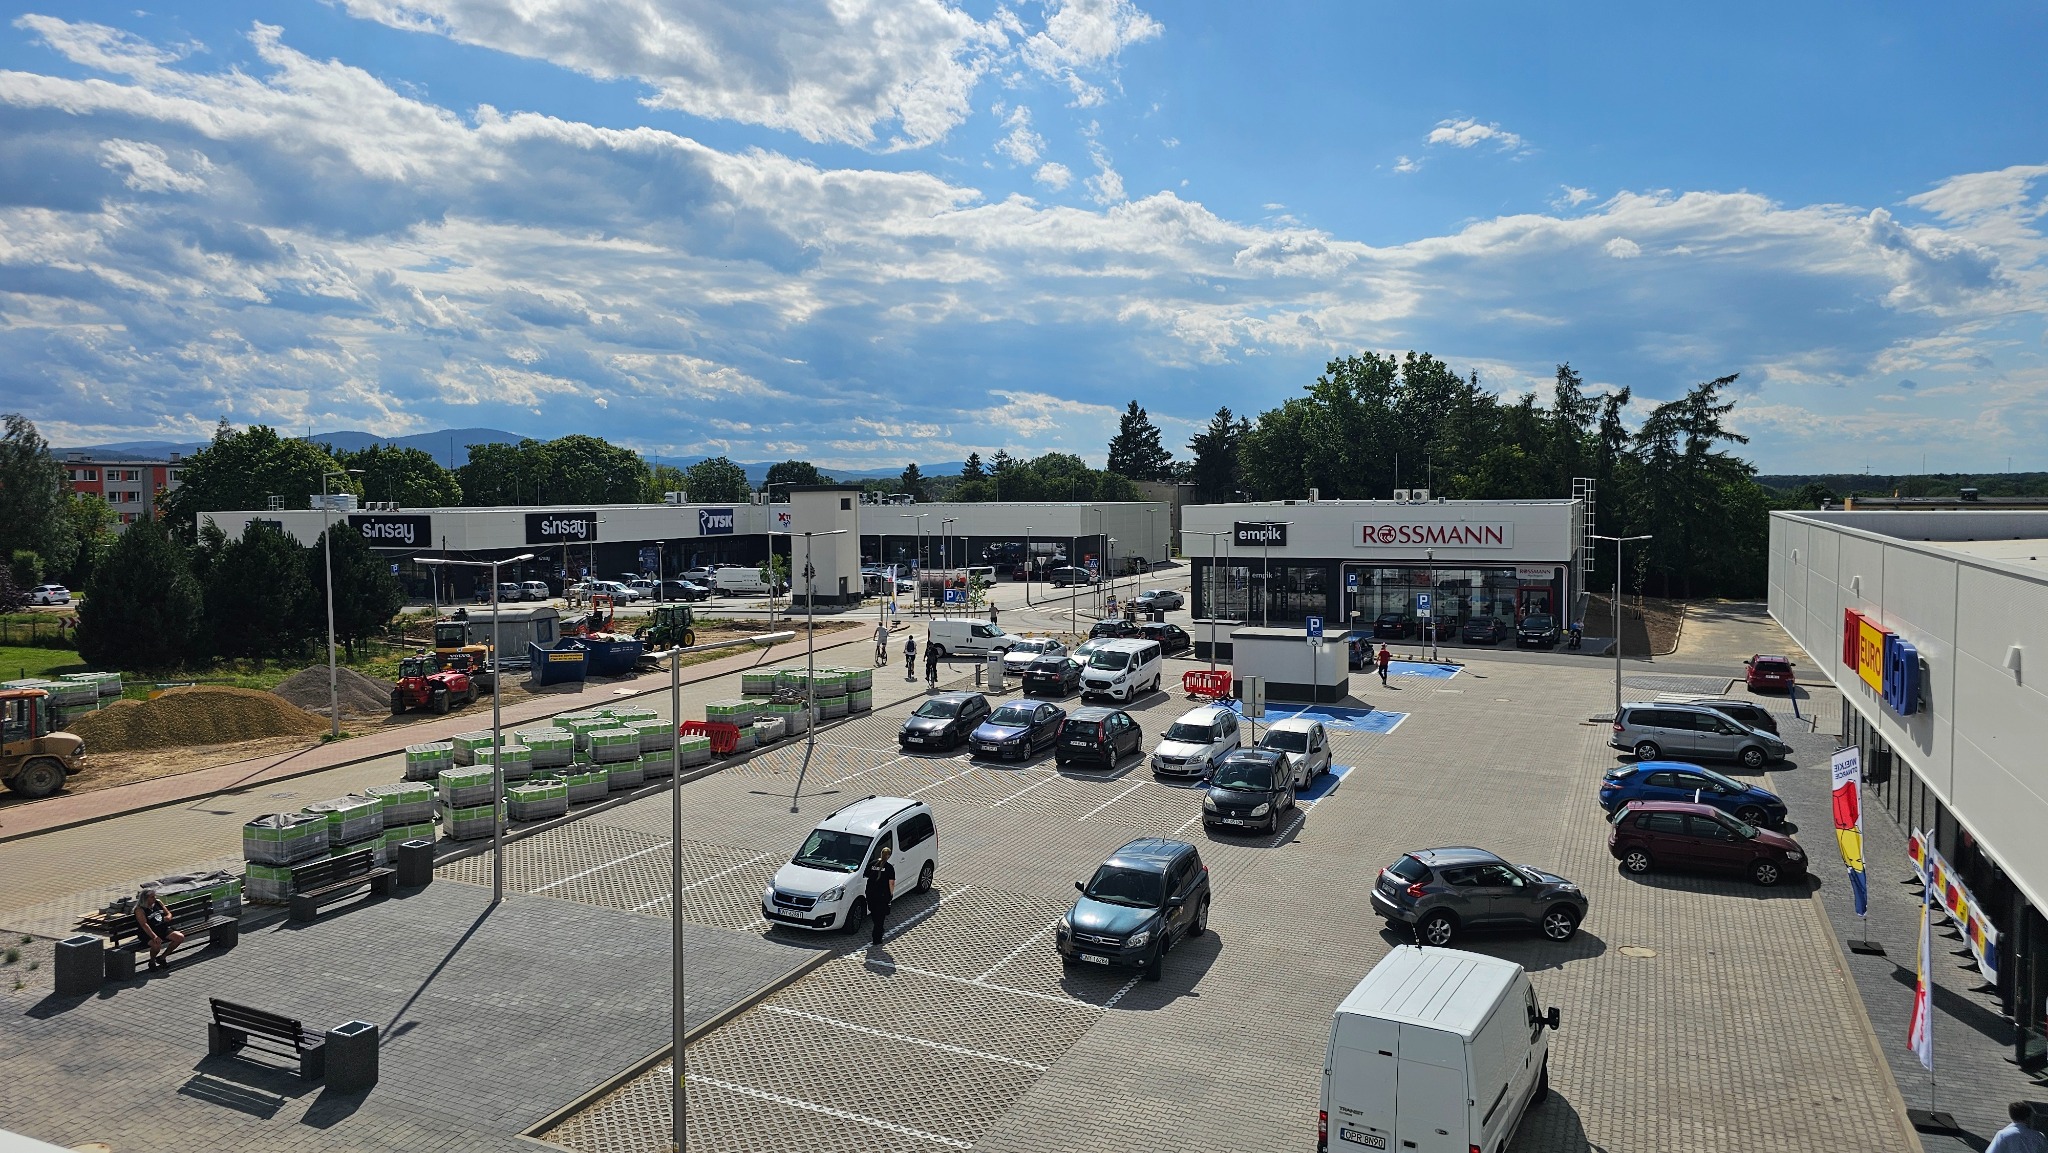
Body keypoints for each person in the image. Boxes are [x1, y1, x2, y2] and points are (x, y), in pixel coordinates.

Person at [134, 887, 184, 972]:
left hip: (162, 928)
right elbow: (144, 925)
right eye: (152, 897)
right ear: (145, 898)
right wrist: (154, 936)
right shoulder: (139, 910)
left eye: (155, 896)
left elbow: (168, 912)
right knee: (156, 945)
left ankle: (162, 957)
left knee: (180, 937)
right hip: (148, 933)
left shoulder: (158, 903)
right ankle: (152, 962)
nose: (155, 898)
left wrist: (168, 916)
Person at [863, 843, 896, 948]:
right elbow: (891, 883)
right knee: (880, 918)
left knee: (874, 914)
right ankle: (877, 938)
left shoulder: (873, 863)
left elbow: (866, 874)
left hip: (871, 894)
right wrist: (891, 894)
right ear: (889, 856)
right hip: (882, 896)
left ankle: (878, 931)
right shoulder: (889, 867)